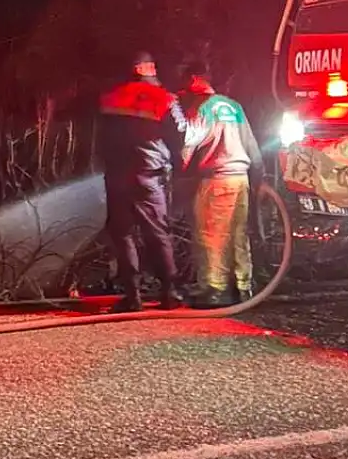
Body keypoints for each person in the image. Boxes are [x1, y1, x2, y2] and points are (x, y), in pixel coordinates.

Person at [97, 52, 186, 312]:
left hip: (116, 176)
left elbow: (99, 136)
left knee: (122, 235)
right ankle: (169, 293)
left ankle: (133, 296)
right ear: (146, 69)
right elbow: (181, 132)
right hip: (149, 175)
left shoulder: (110, 97)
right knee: (157, 233)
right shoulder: (166, 98)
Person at [180, 69, 264, 308]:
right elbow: (253, 147)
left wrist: (177, 170)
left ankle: (215, 290)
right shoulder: (234, 107)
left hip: (216, 180)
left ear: (195, 81)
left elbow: (189, 144)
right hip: (241, 179)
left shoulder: (203, 107)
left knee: (212, 235)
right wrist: (258, 177)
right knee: (238, 234)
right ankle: (243, 287)